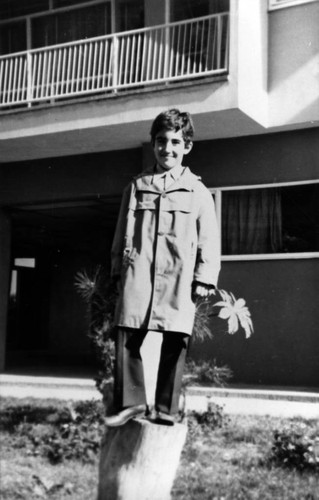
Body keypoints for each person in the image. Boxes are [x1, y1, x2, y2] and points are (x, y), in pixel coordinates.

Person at [105, 109, 220, 426]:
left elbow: (209, 237)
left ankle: (166, 409)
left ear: (187, 146)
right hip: (139, 271)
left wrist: (204, 278)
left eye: (174, 142)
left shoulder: (197, 190)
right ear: (153, 143)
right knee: (128, 333)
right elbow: (121, 230)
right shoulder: (138, 185)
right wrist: (118, 269)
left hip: (179, 277)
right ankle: (132, 403)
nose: (166, 148)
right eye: (160, 141)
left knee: (175, 341)